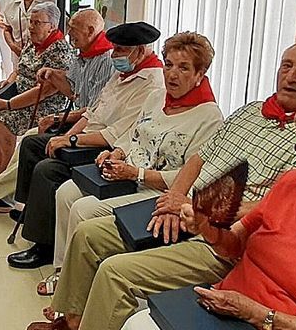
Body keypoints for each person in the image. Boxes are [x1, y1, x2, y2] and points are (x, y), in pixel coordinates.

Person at [36, 36, 296, 330]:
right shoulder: (252, 111)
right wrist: (175, 199)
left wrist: (197, 207)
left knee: (115, 272)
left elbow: (280, 206)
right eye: (286, 65)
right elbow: (199, 157)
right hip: (183, 209)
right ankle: (72, 320)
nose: (291, 76)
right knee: (88, 233)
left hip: (223, 240)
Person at [125, 99, 296, 330]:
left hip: (265, 320)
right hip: (223, 308)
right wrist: (208, 228)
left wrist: (258, 313)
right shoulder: (292, 183)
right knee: (137, 324)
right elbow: (234, 244)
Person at [38, 32, 224, 296]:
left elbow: (189, 176)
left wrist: (136, 173)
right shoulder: (158, 98)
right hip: (126, 175)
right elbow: (134, 134)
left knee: (82, 209)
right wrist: (117, 154)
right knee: (66, 191)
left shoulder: (209, 116)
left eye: (184, 68)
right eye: (169, 64)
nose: (172, 74)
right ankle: (63, 270)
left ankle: (76, 285)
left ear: (200, 74)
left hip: (155, 190)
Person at [7, 21, 166, 270]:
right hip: (88, 136)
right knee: (33, 144)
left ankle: (43, 245)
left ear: (141, 49)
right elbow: (93, 113)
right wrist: (65, 135)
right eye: (115, 48)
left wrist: (70, 140)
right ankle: (32, 211)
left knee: (47, 170)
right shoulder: (123, 73)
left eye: (122, 49)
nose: (115, 55)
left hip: (104, 147)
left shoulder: (152, 83)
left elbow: (115, 133)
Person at [0, 8, 115, 211]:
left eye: (74, 29)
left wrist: (57, 118)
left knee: (19, 132)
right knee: (16, 130)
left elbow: (93, 110)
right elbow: (72, 90)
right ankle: (4, 190)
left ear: (90, 30)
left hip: (90, 128)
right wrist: (53, 74)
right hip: (74, 117)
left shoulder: (104, 61)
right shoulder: (84, 56)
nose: (69, 33)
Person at [0, 2, 74, 182]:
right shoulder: (34, 42)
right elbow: (20, 69)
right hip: (19, 91)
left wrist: (8, 104)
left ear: (52, 26)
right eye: (31, 21)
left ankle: (3, 173)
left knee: (0, 118)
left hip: (44, 103)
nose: (31, 27)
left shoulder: (60, 50)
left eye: (37, 23)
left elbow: (45, 91)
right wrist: (7, 82)